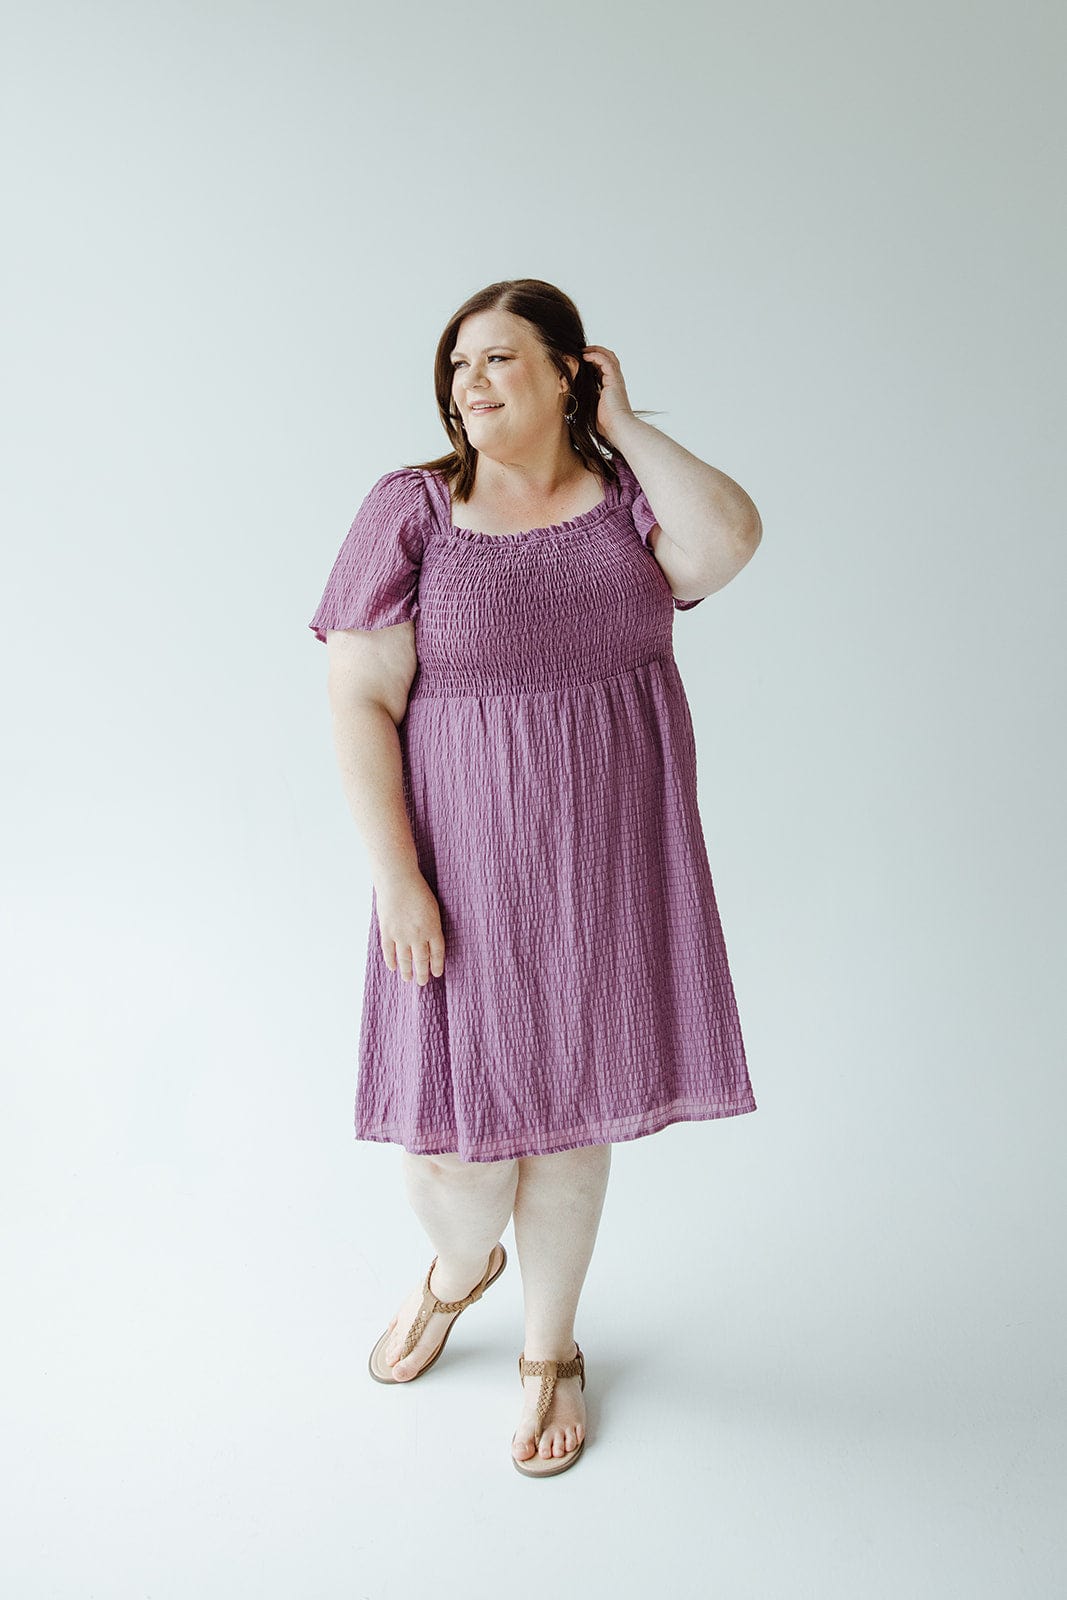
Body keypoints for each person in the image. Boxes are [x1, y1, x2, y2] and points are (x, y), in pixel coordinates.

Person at [308, 278, 761, 1477]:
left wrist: (631, 424)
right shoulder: (412, 511)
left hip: (606, 862)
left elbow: (729, 538)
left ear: (569, 372)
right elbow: (358, 698)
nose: (469, 382)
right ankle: (462, 1272)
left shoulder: (627, 504)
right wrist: (396, 881)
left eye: (500, 358)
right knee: (454, 1147)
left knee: (568, 1128)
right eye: (456, 365)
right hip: (458, 866)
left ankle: (549, 1350)